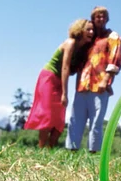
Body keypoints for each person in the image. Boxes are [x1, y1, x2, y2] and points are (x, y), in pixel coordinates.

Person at [25, 19, 94, 147]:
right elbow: (65, 68)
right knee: (48, 113)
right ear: (80, 30)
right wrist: (65, 93)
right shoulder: (70, 43)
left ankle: (50, 149)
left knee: (59, 116)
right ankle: (41, 148)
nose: (91, 32)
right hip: (49, 77)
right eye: (88, 29)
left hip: (60, 79)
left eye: (92, 30)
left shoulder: (82, 50)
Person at [66, 6, 121, 152]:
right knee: (75, 119)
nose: (101, 18)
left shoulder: (112, 36)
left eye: (103, 16)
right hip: (82, 84)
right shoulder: (88, 38)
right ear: (93, 19)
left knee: (96, 121)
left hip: (100, 85)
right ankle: (72, 149)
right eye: (97, 16)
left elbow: (116, 58)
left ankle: (93, 151)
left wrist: (106, 79)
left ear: (107, 19)